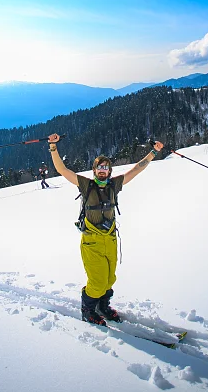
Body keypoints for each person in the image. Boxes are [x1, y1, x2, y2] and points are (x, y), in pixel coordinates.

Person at [48, 133, 164, 326]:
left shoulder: (114, 185)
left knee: (110, 279)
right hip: (92, 242)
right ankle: (87, 310)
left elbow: (136, 170)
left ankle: (102, 306)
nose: (102, 171)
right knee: (97, 282)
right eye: (99, 168)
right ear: (94, 170)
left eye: (105, 168)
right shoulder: (86, 185)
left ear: (109, 171)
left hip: (110, 239)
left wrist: (153, 152)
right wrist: (53, 146)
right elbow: (62, 169)